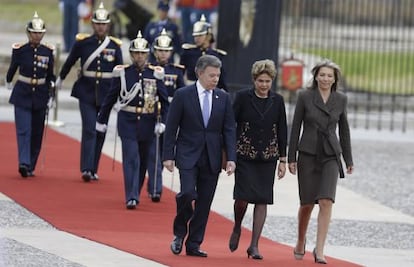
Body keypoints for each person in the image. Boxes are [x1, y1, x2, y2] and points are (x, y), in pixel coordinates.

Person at [163, 54, 236, 257]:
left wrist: (231, 158)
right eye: (212, 75)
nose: (215, 79)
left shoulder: (223, 98)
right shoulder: (183, 95)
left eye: (217, 75)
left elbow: (230, 129)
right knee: (187, 194)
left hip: (212, 157)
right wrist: (167, 155)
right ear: (199, 73)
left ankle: (193, 244)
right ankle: (179, 233)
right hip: (187, 154)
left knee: (204, 202)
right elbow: (171, 127)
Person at [288, 59, 354, 264]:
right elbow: (295, 126)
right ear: (316, 76)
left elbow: (344, 130)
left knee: (326, 201)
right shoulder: (305, 96)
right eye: (322, 75)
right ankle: (300, 240)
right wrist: (291, 157)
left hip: (330, 155)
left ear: (335, 80)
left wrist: (348, 158)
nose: (325, 79)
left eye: (329, 76)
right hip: (307, 153)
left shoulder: (341, 99)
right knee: (307, 203)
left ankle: (320, 249)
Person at [96, 31, 169, 210]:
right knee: (131, 158)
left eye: (142, 53)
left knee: (143, 160)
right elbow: (110, 98)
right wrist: (102, 120)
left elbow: (165, 101)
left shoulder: (156, 74)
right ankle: (131, 196)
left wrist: (163, 122)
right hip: (127, 120)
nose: (139, 56)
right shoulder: (122, 73)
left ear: (147, 54)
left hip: (148, 121)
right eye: (136, 53)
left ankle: (136, 189)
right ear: (131, 54)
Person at [56, 2, 123, 182]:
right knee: (89, 129)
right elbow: (70, 61)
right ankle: (86, 168)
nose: (100, 27)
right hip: (86, 90)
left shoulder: (115, 46)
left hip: (106, 94)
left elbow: (120, 72)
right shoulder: (83, 43)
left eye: (104, 24)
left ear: (108, 25)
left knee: (100, 131)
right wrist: (61, 78)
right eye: (98, 23)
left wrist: (119, 96)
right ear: (93, 24)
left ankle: (93, 168)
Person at [228, 59, 288, 260]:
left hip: (268, 157)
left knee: (263, 199)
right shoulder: (242, 97)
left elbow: (282, 129)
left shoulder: (277, 101)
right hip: (245, 154)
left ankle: (254, 245)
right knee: (242, 197)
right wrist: (229, 155)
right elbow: (231, 125)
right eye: (260, 81)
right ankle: (237, 226)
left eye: (267, 81)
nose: (264, 85)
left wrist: (283, 159)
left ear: (272, 81)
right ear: (254, 80)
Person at [5, 12, 56, 178]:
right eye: (34, 33)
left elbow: (50, 76)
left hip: (40, 94)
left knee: (37, 133)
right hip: (23, 92)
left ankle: (31, 164)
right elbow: (13, 69)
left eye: (40, 33)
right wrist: (8, 81)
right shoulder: (20, 50)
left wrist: (51, 94)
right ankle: (24, 163)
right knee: (24, 130)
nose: (37, 36)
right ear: (28, 33)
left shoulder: (48, 52)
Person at [141, 28, 185, 202]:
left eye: (166, 51)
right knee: (153, 152)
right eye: (160, 50)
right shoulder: (148, 69)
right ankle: (155, 189)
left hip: (171, 116)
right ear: (154, 51)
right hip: (152, 114)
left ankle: (154, 183)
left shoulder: (177, 71)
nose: (163, 54)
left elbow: (182, 93)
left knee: (164, 151)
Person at [179, 14, 227, 90]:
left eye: (200, 36)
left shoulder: (217, 55)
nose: (196, 39)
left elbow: (222, 80)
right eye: (195, 36)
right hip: (191, 88)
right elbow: (180, 74)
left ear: (208, 36)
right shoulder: (188, 53)